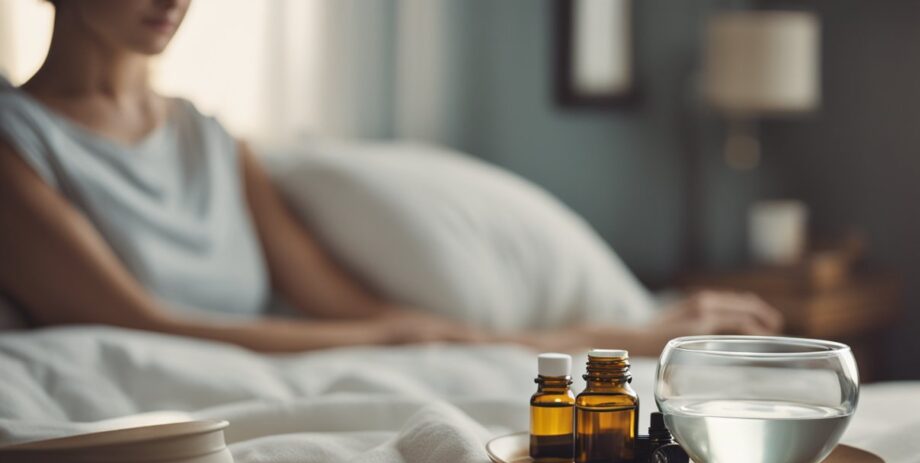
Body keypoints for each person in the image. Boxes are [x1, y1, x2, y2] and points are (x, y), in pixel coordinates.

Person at [0, 0, 782, 356]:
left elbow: (362, 309)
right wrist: (382, 334)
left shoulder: (209, 139)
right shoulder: (18, 145)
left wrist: (636, 334)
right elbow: (143, 328)